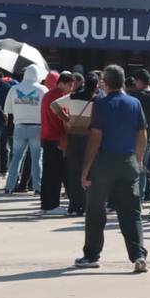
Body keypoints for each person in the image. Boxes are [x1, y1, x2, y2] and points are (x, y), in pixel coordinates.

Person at [73, 64, 148, 274]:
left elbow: (95, 138)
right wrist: (138, 160)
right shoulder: (135, 103)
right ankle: (138, 255)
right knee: (132, 212)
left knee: (96, 210)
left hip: (104, 162)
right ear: (123, 81)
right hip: (128, 161)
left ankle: (91, 255)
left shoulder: (101, 104)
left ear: (104, 83)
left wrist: (85, 169)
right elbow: (142, 134)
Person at [52, 73, 99, 216]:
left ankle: (73, 206)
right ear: (96, 86)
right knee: (88, 172)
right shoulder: (98, 100)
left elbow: (54, 105)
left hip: (73, 137)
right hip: (89, 138)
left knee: (74, 171)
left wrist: (66, 118)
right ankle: (85, 206)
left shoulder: (73, 96)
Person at [3, 65, 48, 195]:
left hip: (19, 127)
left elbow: (7, 110)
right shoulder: (42, 89)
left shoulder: (14, 89)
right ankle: (37, 188)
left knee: (16, 158)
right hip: (37, 127)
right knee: (36, 159)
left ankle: (9, 187)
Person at [40, 71, 75, 215]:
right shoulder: (60, 97)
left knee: (48, 174)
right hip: (56, 138)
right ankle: (52, 206)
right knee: (55, 174)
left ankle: (46, 204)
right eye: (71, 86)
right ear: (64, 83)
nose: (71, 89)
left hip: (47, 136)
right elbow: (64, 118)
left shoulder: (48, 94)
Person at [129, 70, 150, 204]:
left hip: (132, 135)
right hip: (149, 136)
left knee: (131, 168)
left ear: (140, 81)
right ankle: (139, 198)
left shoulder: (134, 96)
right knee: (142, 167)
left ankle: (132, 196)